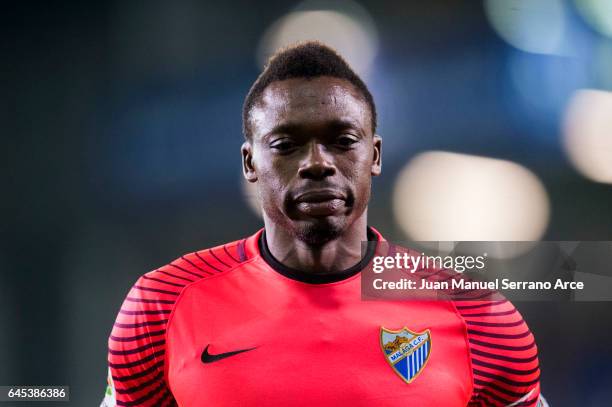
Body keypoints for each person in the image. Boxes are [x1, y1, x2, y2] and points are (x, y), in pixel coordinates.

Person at [102, 42, 541, 407]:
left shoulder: (479, 317)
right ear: (250, 162)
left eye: (343, 141)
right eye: (287, 144)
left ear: (375, 156)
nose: (317, 163)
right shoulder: (159, 309)